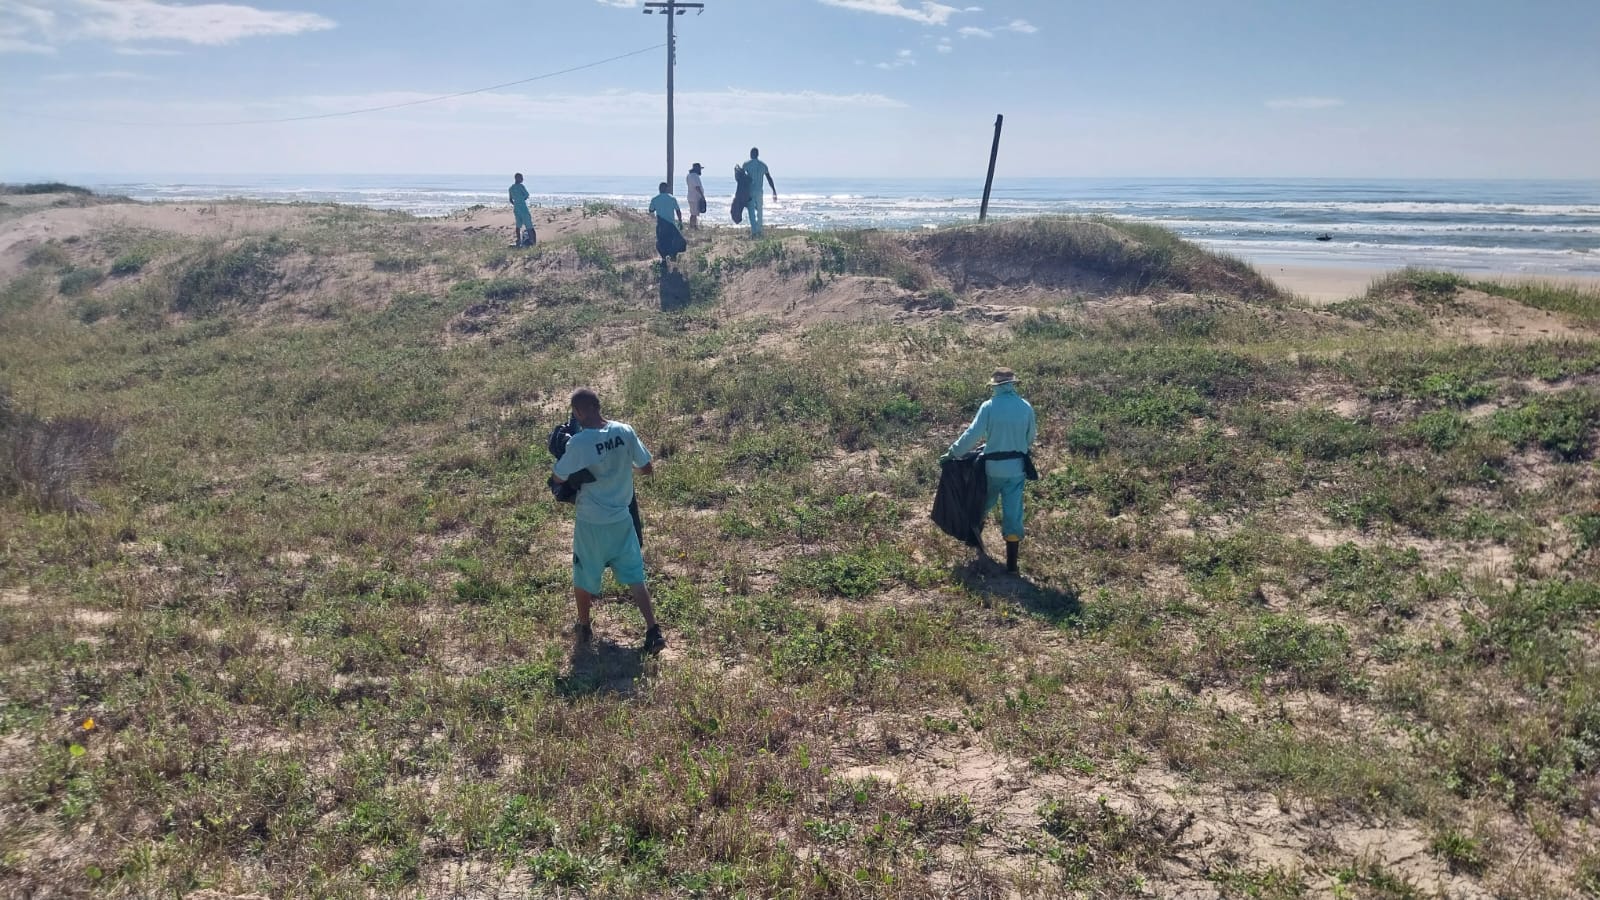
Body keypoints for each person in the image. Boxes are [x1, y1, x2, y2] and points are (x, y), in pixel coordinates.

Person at [551, 388, 665, 653]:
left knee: (583, 576)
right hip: (622, 518)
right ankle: (653, 630)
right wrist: (624, 468)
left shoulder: (579, 444)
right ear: (598, 405)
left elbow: (558, 478)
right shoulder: (624, 431)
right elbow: (647, 468)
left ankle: (584, 626)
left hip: (591, 523)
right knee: (636, 577)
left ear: (578, 412)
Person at [940, 367, 1038, 573]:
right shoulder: (1025, 407)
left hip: (992, 469)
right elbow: (1030, 438)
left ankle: (976, 543)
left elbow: (972, 434)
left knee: (983, 502)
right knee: (1013, 513)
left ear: (995, 386)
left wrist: (952, 453)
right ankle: (1012, 566)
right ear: (1012, 385)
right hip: (1017, 469)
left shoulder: (989, 406)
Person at [740, 148, 776, 237]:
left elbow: (741, 177)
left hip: (750, 191)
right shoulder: (763, 165)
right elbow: (769, 178)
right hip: (759, 191)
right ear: (758, 154)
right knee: (760, 211)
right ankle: (759, 231)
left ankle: (754, 231)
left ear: (751, 154)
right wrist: (774, 190)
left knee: (751, 211)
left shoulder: (746, 164)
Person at [648, 181, 686, 263]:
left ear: (659, 189)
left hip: (661, 225)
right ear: (667, 189)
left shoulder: (655, 199)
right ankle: (673, 256)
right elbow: (678, 211)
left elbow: (651, 210)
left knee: (661, 242)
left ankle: (664, 258)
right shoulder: (672, 198)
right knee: (674, 241)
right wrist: (680, 221)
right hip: (671, 225)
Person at [508, 173, 535, 247]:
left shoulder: (511, 188)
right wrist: (522, 200)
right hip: (523, 208)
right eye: (521, 178)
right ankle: (532, 241)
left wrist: (516, 203)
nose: (522, 179)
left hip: (516, 208)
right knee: (528, 225)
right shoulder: (521, 186)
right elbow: (527, 195)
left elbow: (510, 199)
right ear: (517, 178)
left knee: (518, 225)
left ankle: (518, 240)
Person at [686, 163, 707, 230]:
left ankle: (693, 226)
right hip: (695, 197)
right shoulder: (695, 176)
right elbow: (697, 187)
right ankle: (693, 226)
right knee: (694, 213)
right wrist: (702, 196)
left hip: (691, 196)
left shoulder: (689, 175)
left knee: (693, 212)